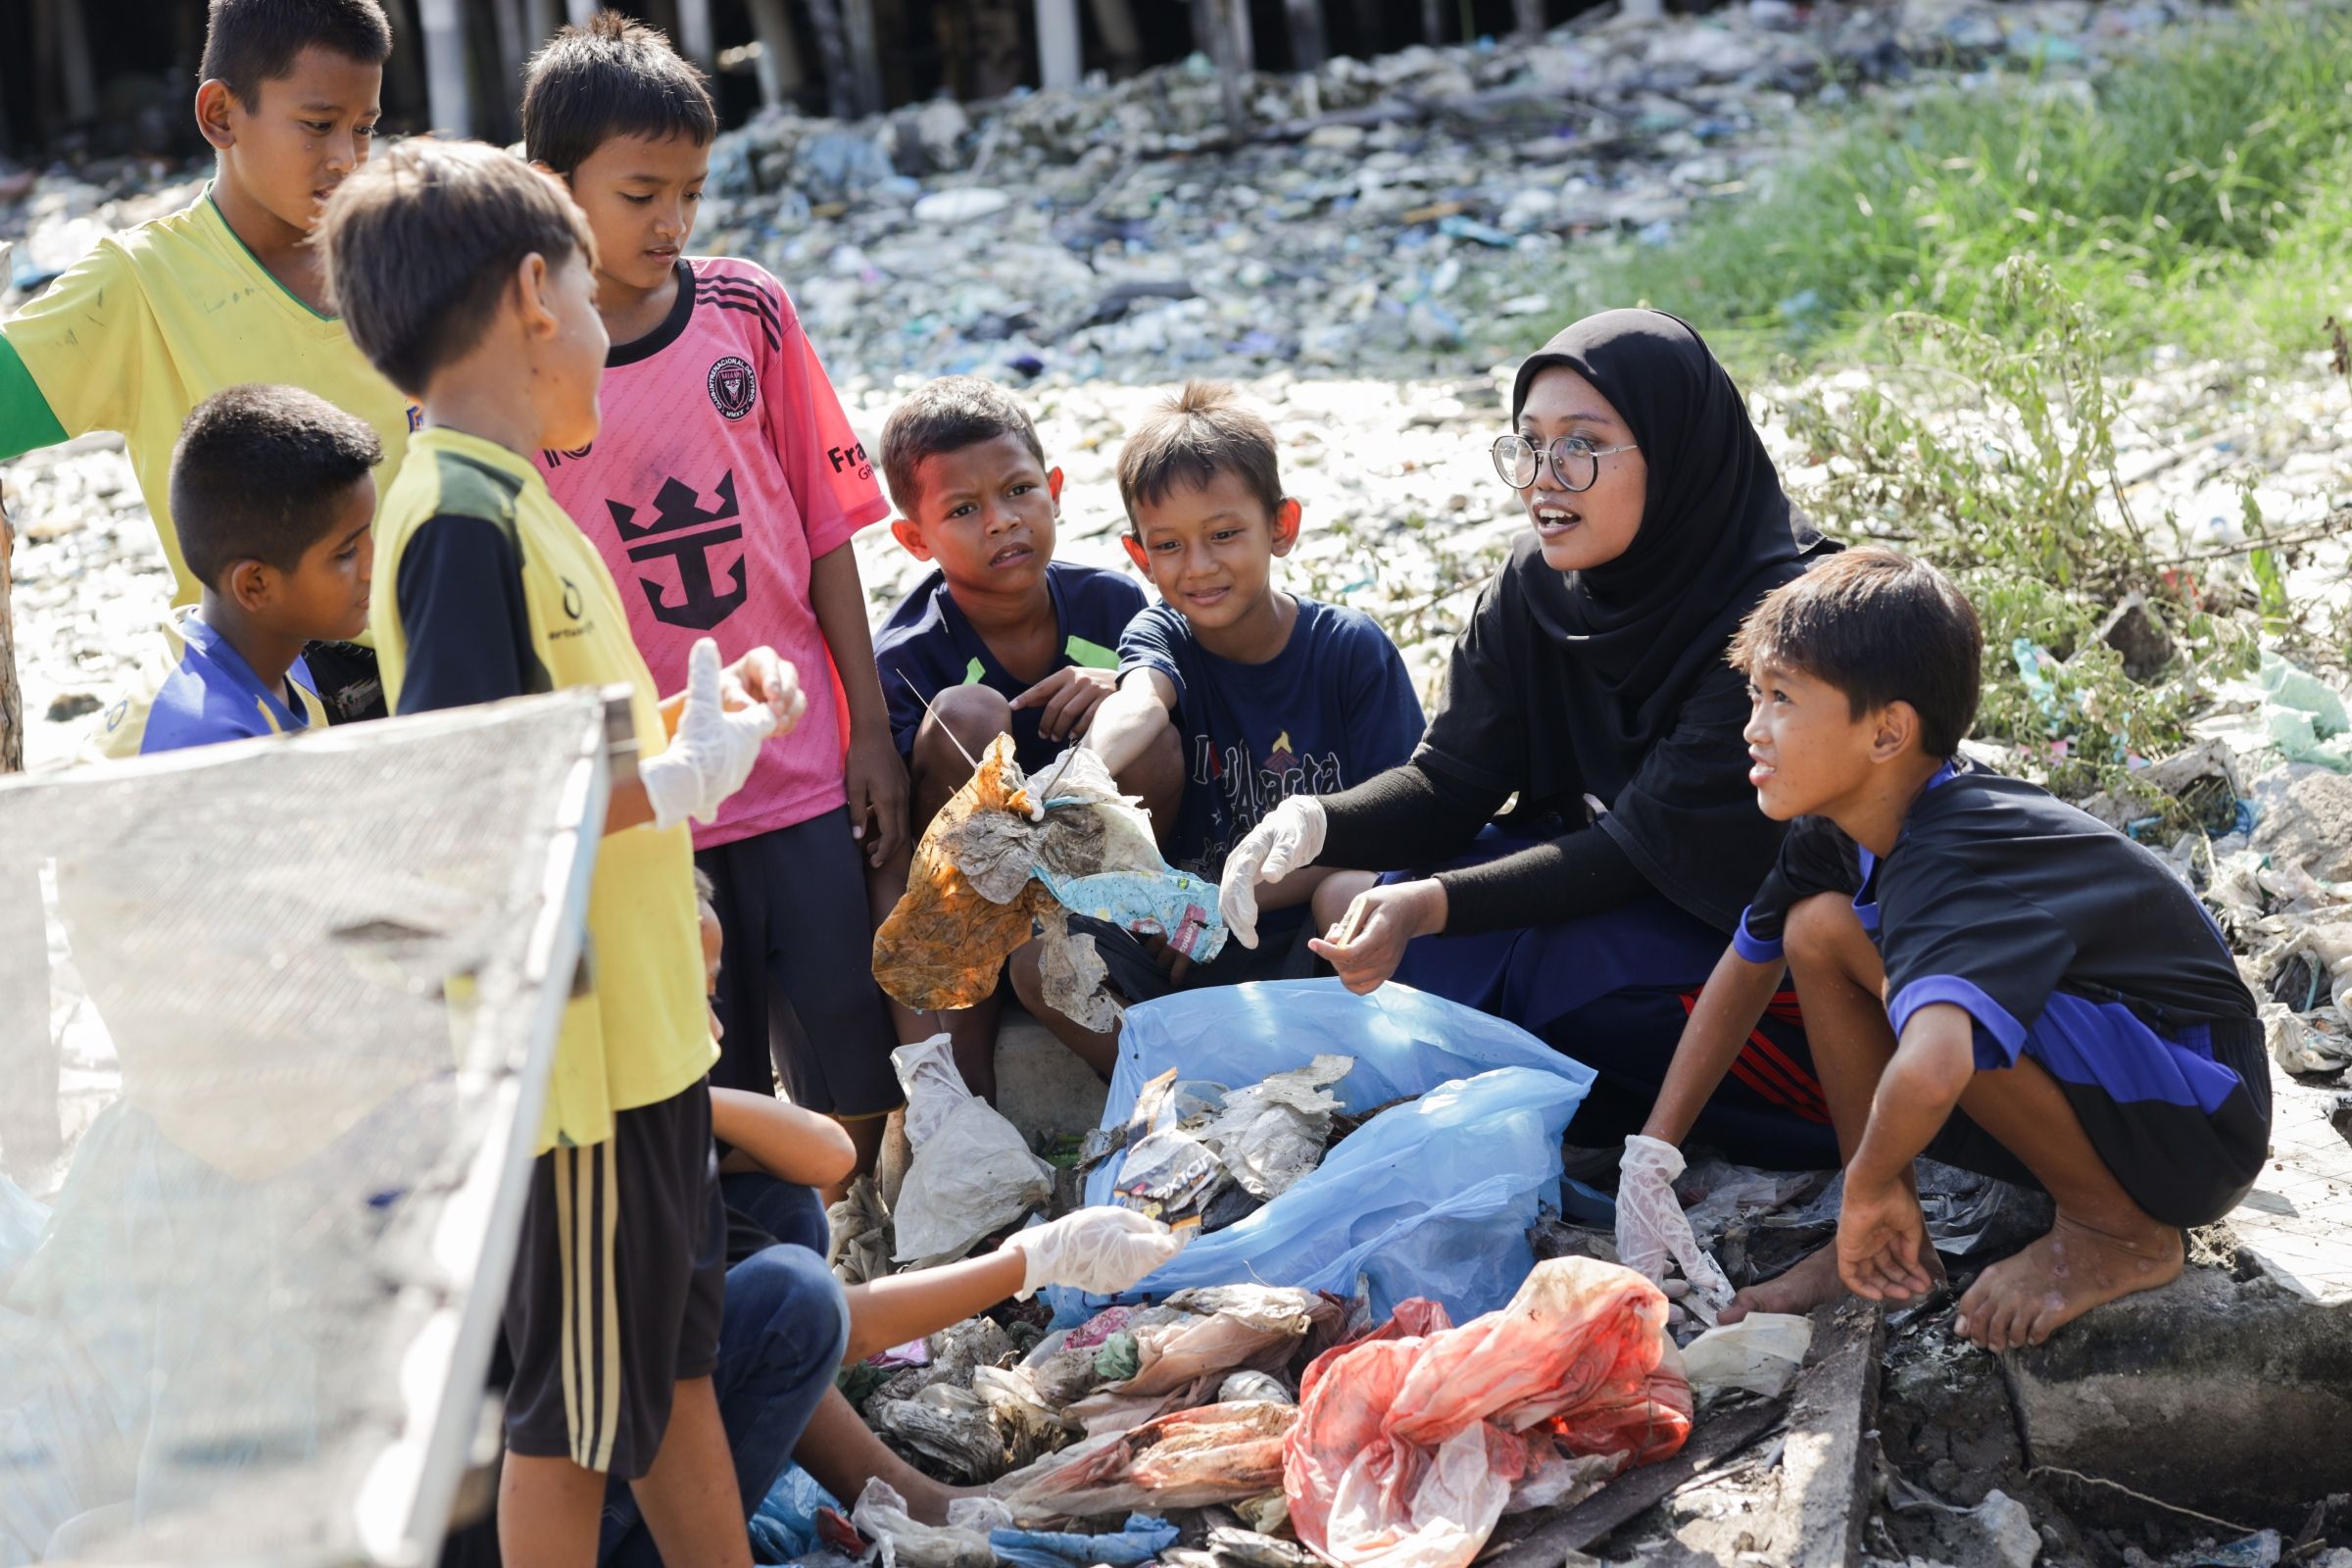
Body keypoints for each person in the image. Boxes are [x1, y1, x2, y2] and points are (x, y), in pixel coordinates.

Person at [318, 134, 805, 1568]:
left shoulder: (521, 497)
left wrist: (690, 725)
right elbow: (481, 798)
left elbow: (560, 745)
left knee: (669, 1368)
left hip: (647, 1038)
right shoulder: (458, 521)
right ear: (536, 295)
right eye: (592, 294)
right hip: (571, 1068)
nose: (607, 329)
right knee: (572, 1417)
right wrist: (677, 776)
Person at [1216, 311, 1838, 1167]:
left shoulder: (1776, 623)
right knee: (1405, 921)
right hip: (1609, 883)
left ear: (1675, 452)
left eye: (1582, 447)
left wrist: (1429, 906)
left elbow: (1636, 849)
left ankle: (1696, 1125)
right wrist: (1316, 824)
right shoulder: (1537, 588)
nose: (1546, 480)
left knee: (1554, 980)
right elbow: (1452, 781)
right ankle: (1559, 1094)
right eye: (1528, 446)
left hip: (1747, 934)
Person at [1693, 549, 2268, 1349]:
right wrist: (1647, 1155)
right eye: (1756, 695)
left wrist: (1861, 1186)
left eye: (1782, 699)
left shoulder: (1949, 849)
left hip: (2202, 1118)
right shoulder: (1838, 830)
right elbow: (1747, 964)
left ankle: (2117, 1233)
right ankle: (1896, 1239)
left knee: (1950, 1001)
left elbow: (1934, 1064)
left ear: (1888, 731)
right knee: (1817, 927)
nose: (1753, 726)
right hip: (2129, 1092)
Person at [519, 13, 912, 1180]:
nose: (672, 222)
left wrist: (871, 729)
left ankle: (860, 1223)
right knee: (708, 1056)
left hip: (794, 763)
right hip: (654, 790)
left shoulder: (747, 309)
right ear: (554, 185)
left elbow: (829, 527)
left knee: (848, 1022)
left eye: (690, 191)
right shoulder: (523, 360)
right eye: (641, 192)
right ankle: (748, 1269)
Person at [0, 0, 414, 722]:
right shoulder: (140, 286)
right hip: (265, 710)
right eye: (318, 126)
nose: (346, 157)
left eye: (364, 128)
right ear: (221, 114)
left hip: (449, 676)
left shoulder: (408, 256)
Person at [1020, 381, 1423, 1075]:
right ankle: (1169, 1097)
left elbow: (1396, 828)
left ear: (1282, 526)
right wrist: (1066, 783)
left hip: (1309, 948)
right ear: (1140, 557)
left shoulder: (1348, 651)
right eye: (1169, 545)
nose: (1199, 566)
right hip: (1181, 953)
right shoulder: (1162, 633)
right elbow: (1140, 702)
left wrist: (1223, 901)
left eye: (1224, 534)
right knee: (1039, 959)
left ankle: (1361, 1075)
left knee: (1352, 893)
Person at [869, 375, 1151, 1097]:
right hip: (969, 899)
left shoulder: (1110, 605)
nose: (1002, 521)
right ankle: (965, 1061)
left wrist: (1123, 689)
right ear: (913, 538)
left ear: (1054, 488)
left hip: (1096, 882)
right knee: (968, 715)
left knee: (1151, 721)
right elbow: (898, 850)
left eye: (1020, 490)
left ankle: (1142, 955)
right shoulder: (905, 659)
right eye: (964, 509)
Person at [82, 385, 379, 760]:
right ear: (254, 585)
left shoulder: (282, 659)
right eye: (347, 552)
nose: (373, 565)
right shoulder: (204, 740)